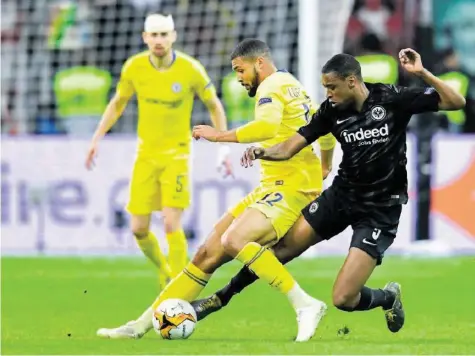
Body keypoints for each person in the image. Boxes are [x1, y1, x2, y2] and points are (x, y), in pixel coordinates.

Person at [191, 49, 466, 333]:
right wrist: (262, 151)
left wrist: (421, 73)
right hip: (341, 197)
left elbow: (455, 102)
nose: (328, 94)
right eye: (325, 88)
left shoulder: (391, 98)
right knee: (280, 250)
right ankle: (220, 298)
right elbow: (289, 146)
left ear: (351, 81)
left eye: (332, 87)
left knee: (343, 298)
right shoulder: (330, 111)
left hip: (380, 210)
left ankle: (387, 296)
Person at [96, 38, 336, 342]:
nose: (238, 77)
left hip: (291, 189)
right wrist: (325, 165)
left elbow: (266, 127)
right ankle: (140, 326)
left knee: (235, 240)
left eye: (240, 70)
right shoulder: (292, 85)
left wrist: (218, 135)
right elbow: (324, 130)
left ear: (259, 63)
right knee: (207, 254)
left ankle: (305, 304)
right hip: (272, 186)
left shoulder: (270, 87)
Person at [85, 13, 233, 288]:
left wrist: (222, 148)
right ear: (145, 38)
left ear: (173, 36)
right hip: (146, 155)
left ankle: (178, 288)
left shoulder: (190, 69)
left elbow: (214, 105)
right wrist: (96, 138)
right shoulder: (134, 68)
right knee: (138, 229)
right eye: (153, 35)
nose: (159, 40)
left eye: (164, 34)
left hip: (177, 154)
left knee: (170, 224)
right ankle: (165, 270)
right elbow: (118, 103)